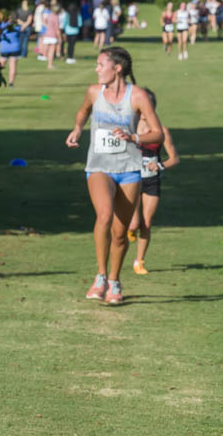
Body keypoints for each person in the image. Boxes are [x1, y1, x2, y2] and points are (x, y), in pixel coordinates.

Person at [66, 47, 165, 306]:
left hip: (130, 169)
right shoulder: (94, 92)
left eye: (101, 64)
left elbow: (158, 133)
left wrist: (134, 137)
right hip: (99, 166)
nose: (97, 69)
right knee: (104, 215)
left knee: (121, 232)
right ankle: (100, 276)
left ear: (117, 68)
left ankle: (114, 280)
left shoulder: (138, 96)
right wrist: (77, 128)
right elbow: (83, 112)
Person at [129, 90, 180, 276]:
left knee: (147, 223)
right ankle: (131, 229)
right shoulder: (130, 128)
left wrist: (159, 165)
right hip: (132, 178)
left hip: (151, 180)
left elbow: (175, 158)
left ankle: (139, 261)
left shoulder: (161, 131)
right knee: (134, 223)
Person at [0, 11, 23, 86]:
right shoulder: (17, 26)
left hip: (5, 48)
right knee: (13, 66)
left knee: (0, 66)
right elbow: (19, 35)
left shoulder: (3, 25)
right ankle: (11, 83)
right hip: (15, 48)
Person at [42, 0, 61, 70]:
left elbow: (44, 21)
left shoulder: (49, 15)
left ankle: (45, 58)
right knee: (52, 51)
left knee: (47, 49)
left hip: (47, 34)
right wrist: (59, 37)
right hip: (53, 36)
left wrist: (47, 26)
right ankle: (50, 64)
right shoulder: (56, 17)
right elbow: (57, 28)